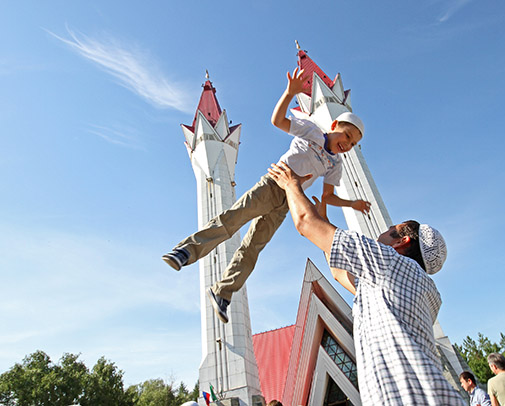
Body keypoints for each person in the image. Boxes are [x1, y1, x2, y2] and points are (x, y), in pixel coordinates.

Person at [162, 67, 370, 323]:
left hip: (288, 201)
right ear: (335, 125)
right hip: (273, 184)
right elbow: (278, 121)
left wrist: (352, 203)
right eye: (347, 136)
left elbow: (328, 197)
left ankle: (222, 292)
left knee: (254, 246)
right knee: (233, 219)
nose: (347, 144)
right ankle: (185, 251)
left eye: (353, 144)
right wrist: (289, 92)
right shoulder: (312, 130)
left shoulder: (335, 164)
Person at [267, 162, 464, 405]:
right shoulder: (427, 294)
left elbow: (305, 223)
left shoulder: (389, 263)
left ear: (401, 242)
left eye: (391, 229)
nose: (383, 232)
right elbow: (341, 275)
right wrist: (325, 220)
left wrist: (290, 184)